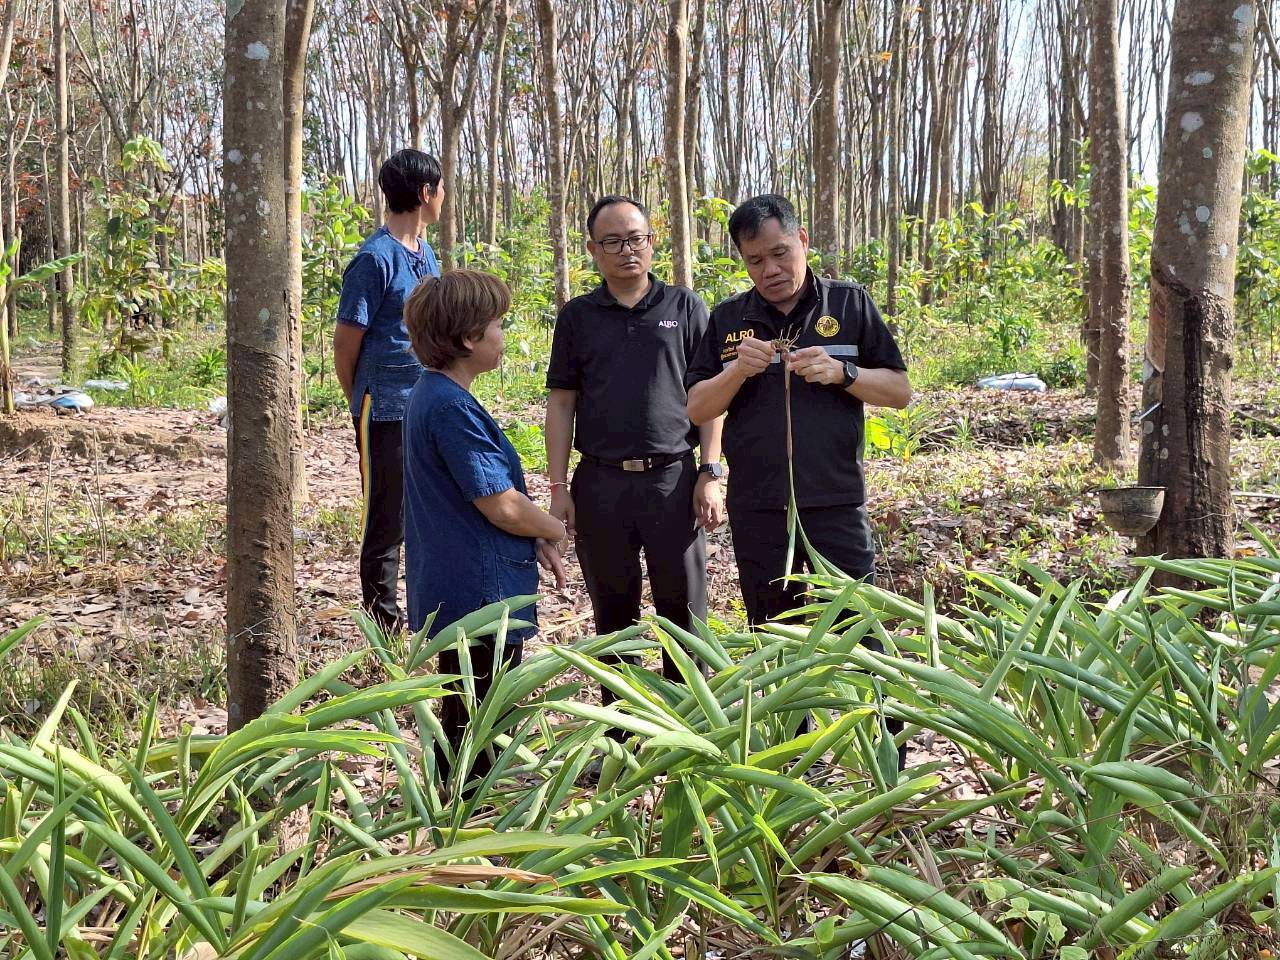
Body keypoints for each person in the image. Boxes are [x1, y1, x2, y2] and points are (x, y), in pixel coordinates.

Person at [686, 193, 911, 625]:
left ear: (802, 240)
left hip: (835, 499)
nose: (770, 270)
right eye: (755, 260)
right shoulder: (730, 318)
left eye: (780, 253)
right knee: (774, 632)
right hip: (759, 507)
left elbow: (899, 391)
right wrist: (736, 372)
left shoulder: (848, 304)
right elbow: (697, 409)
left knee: (857, 629)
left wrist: (844, 373)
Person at [545, 195, 724, 698]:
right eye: (613, 242)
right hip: (601, 483)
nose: (627, 250)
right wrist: (558, 488)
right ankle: (620, 727)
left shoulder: (684, 307)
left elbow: (709, 396)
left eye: (636, 239)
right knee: (613, 616)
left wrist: (710, 472)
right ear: (593, 250)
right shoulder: (578, 317)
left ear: (652, 242)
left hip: (674, 480)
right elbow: (562, 403)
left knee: (684, 614)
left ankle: (688, 717)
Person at [401, 269, 567, 782]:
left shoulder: (433, 394)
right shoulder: (451, 407)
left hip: (457, 582)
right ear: (470, 338)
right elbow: (501, 505)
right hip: (478, 591)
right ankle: (472, 806)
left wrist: (535, 530)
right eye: (498, 325)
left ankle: (462, 798)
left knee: (466, 708)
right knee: (479, 713)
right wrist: (555, 527)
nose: (503, 335)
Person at [334, 149, 444, 635]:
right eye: (440, 188)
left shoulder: (425, 254)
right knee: (386, 514)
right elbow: (346, 344)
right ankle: (385, 626)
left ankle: (425, 613)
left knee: (424, 510)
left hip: (426, 404)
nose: (444, 197)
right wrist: (358, 400)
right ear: (425, 193)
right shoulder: (372, 260)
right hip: (383, 410)